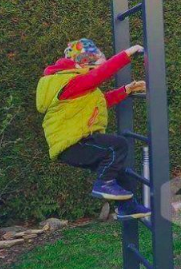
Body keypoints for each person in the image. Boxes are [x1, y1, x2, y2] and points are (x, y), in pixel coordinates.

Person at [36, 39, 150, 220]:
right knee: (117, 145)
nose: (95, 66)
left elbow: (101, 102)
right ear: (81, 62)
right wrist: (128, 53)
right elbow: (100, 74)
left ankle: (127, 207)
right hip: (73, 144)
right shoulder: (70, 82)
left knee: (118, 170)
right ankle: (103, 183)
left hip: (77, 144)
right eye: (93, 60)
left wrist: (126, 90)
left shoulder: (76, 84)